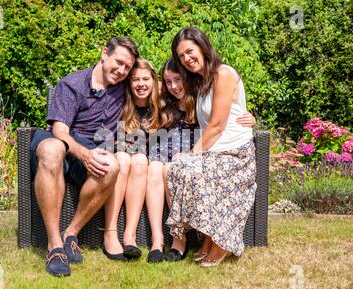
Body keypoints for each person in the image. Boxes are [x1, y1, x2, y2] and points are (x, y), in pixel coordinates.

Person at [30, 36, 139, 276]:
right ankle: (54, 246)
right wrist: (84, 154)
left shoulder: (123, 87)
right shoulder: (72, 84)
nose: (121, 71)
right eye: (118, 62)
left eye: (127, 67)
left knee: (111, 165)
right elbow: (59, 130)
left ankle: (71, 233)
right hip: (63, 141)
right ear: (104, 54)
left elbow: (158, 88)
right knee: (52, 149)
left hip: (93, 147)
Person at [164, 27, 257, 267]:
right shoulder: (200, 81)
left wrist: (192, 154)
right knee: (177, 170)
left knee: (187, 167)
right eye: (181, 56)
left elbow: (216, 125)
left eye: (189, 51)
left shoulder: (223, 74)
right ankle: (206, 235)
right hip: (215, 151)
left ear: (203, 48)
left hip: (236, 153)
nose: (186, 59)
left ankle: (222, 240)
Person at [103, 58, 165, 263]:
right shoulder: (120, 102)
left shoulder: (163, 102)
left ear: (154, 81)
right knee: (127, 158)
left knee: (140, 160)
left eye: (146, 79)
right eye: (135, 79)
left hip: (149, 160)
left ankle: (130, 236)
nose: (141, 84)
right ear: (128, 83)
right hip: (124, 156)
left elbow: (192, 102)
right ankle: (113, 233)